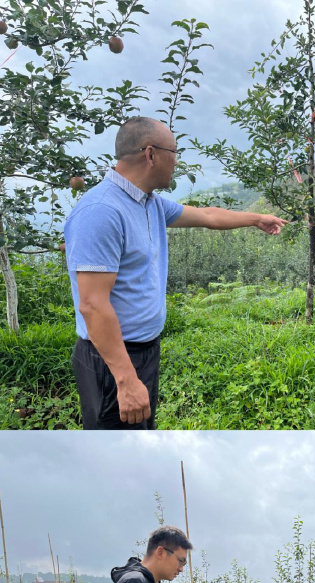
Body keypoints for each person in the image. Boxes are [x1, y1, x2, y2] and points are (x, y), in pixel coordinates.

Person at [63, 116, 287, 430]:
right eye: (174, 152)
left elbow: (208, 216)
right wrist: (126, 379)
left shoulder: (148, 203)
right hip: (111, 359)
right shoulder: (101, 212)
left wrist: (256, 218)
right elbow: (92, 304)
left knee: (141, 438)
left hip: (141, 351)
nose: (177, 161)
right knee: (116, 449)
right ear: (150, 154)